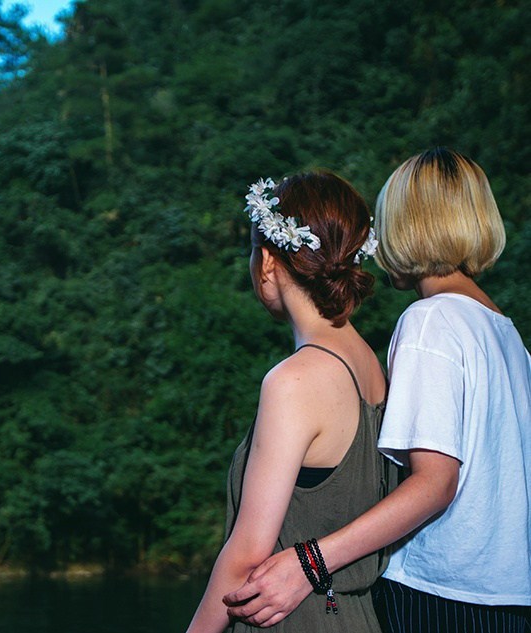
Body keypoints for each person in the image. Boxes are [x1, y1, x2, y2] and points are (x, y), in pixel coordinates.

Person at [224, 148, 531, 632]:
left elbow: (435, 484)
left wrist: (310, 563)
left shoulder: (430, 321)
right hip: (508, 598)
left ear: (410, 228)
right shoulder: (507, 334)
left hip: (440, 594)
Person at [185, 171, 390, 633]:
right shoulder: (371, 366)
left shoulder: (295, 381)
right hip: (357, 616)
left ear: (268, 262)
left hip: (297, 619)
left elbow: (248, 553)